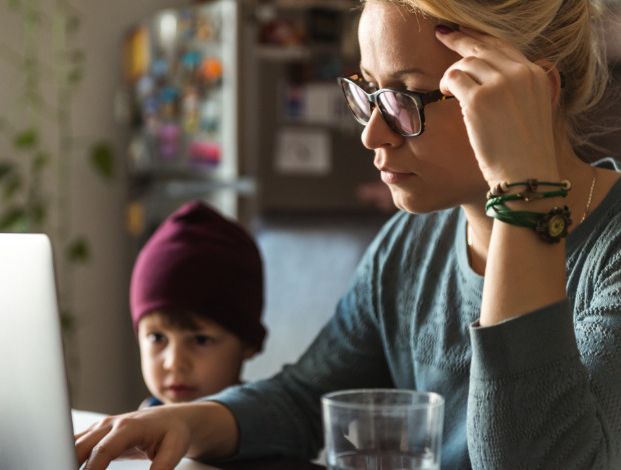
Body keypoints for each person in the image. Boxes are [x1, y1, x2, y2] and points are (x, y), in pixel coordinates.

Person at [75, 0, 621, 468]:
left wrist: (525, 190)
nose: (372, 133)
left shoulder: (611, 255)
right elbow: (306, 398)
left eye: (406, 97)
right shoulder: (411, 247)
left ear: (530, 92)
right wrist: (188, 423)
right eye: (368, 92)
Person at [129, 200, 266, 407]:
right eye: (157, 338)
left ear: (248, 344)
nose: (174, 363)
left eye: (200, 340)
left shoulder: (264, 429)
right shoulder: (142, 419)